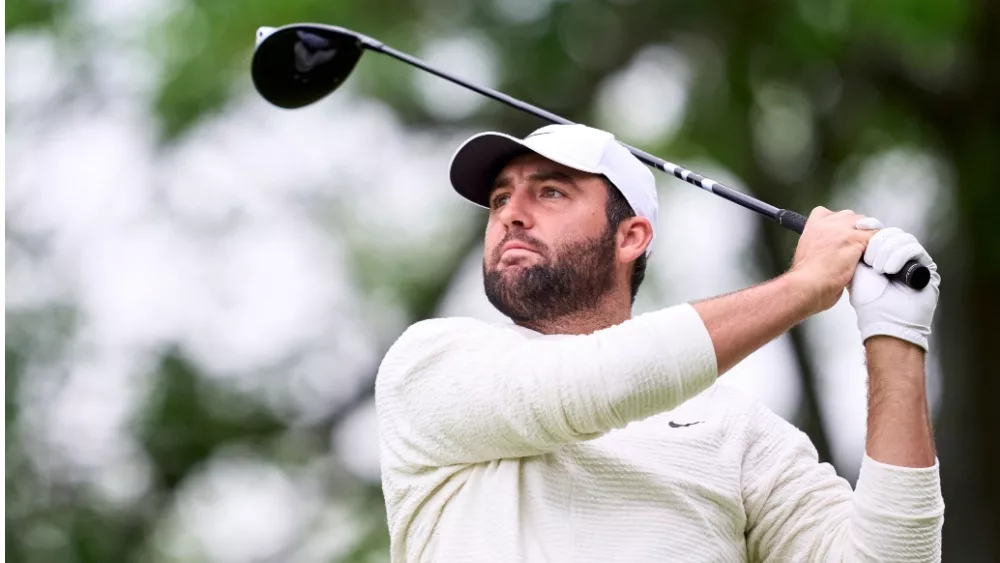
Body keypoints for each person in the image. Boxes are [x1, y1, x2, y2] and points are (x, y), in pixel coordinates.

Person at [375, 124, 944, 562]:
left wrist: (896, 333)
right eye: (500, 199)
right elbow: (592, 382)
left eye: (549, 192)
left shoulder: (739, 431)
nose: (512, 216)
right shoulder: (431, 363)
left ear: (630, 237)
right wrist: (802, 287)